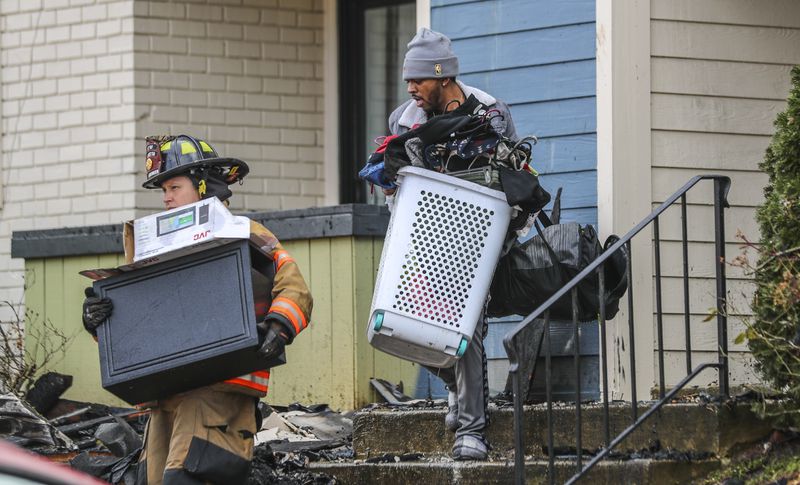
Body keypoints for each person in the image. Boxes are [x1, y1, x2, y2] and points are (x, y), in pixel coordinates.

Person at [82, 135, 313, 484]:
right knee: (153, 480)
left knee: (187, 479)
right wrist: (99, 321)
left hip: (219, 393)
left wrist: (280, 326)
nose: (166, 198)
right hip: (165, 398)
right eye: (163, 191)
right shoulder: (151, 250)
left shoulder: (241, 233)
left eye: (174, 186)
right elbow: (142, 326)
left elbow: (293, 285)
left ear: (203, 185)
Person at [385, 28, 519, 461]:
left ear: (443, 77)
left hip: (479, 238)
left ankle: (472, 431)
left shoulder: (491, 113)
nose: (411, 88)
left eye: (419, 80)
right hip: (424, 240)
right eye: (408, 80)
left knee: (467, 327)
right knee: (410, 323)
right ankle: (457, 389)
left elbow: (515, 173)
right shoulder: (403, 121)